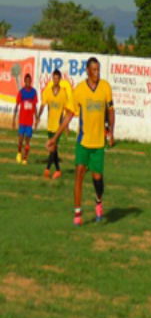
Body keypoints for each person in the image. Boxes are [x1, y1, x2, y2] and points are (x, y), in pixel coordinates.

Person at [47, 57, 114, 225]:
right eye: (94, 70)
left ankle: (98, 202)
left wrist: (111, 132)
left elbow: (111, 110)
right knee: (79, 175)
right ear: (87, 71)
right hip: (83, 142)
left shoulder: (105, 87)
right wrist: (55, 137)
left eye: (98, 70)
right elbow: (69, 114)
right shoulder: (79, 91)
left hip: (98, 143)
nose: (97, 73)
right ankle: (78, 213)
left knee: (98, 179)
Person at [37, 69, 70, 179]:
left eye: (57, 78)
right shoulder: (47, 91)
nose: (55, 80)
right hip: (50, 125)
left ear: (60, 79)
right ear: (52, 79)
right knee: (54, 149)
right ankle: (58, 170)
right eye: (54, 78)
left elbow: (66, 111)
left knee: (53, 147)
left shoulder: (63, 93)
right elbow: (43, 105)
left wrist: (66, 126)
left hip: (58, 126)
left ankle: (47, 170)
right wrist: (38, 116)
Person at [12, 73, 38, 165]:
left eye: (29, 81)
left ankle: (25, 158)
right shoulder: (21, 92)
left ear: (31, 81)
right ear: (24, 82)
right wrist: (13, 119)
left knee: (27, 141)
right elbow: (17, 105)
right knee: (20, 139)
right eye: (26, 81)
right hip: (22, 120)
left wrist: (37, 118)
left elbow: (34, 106)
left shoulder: (34, 92)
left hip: (29, 121)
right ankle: (19, 152)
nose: (28, 82)